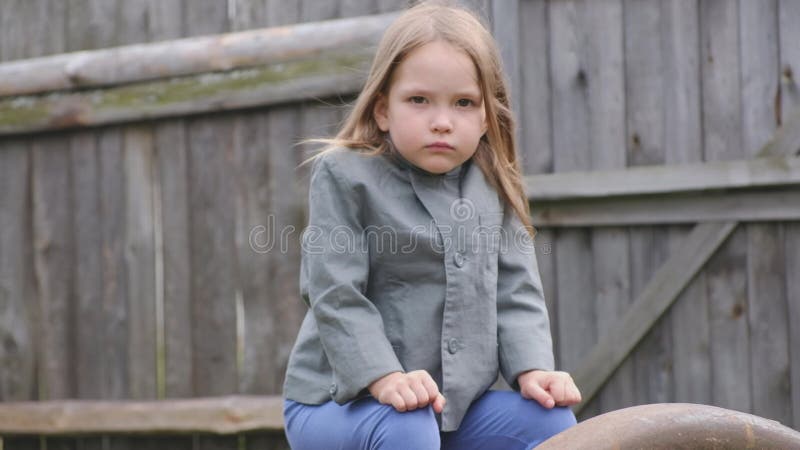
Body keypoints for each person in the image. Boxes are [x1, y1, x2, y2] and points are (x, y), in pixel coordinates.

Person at [282, 2, 581, 448]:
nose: (441, 121)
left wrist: (533, 368)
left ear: (484, 118)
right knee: (408, 424)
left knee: (548, 424)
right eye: (418, 100)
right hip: (337, 405)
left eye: (463, 103)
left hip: (452, 411)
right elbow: (335, 292)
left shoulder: (493, 185)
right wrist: (382, 377)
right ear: (383, 110)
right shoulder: (344, 176)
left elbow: (516, 290)